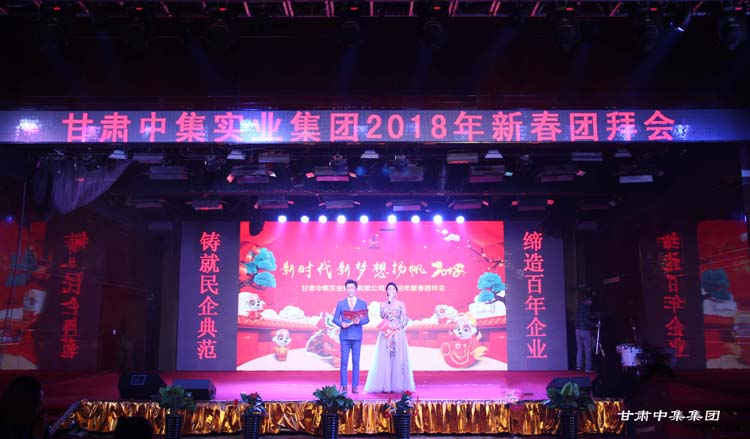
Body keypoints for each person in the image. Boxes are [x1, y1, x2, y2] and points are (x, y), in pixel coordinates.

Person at [365, 282, 415, 393]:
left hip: (397, 332)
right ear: (386, 292)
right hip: (386, 331)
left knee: (397, 356)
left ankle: (398, 384)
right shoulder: (383, 304)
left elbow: (405, 318)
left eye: (393, 289)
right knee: (385, 356)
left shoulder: (401, 304)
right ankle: (385, 385)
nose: (391, 291)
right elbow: (382, 316)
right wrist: (388, 310)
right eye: (389, 289)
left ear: (396, 291)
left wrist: (399, 326)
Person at [333, 279, 369, 394]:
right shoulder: (341, 303)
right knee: (344, 361)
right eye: (348, 288)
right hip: (345, 336)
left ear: (356, 289)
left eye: (352, 288)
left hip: (356, 336)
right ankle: (344, 385)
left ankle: (355, 386)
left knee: (356, 361)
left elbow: (366, 319)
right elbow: (335, 318)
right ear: (345, 289)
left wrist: (359, 321)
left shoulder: (362, 303)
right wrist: (341, 323)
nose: (350, 290)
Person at [574, 296, 596, 372]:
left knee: (579, 349)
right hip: (585, 330)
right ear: (587, 301)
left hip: (577, 330)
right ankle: (588, 368)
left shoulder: (578, 308)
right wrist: (594, 324)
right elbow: (585, 320)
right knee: (587, 349)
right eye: (590, 301)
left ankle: (578, 367)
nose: (591, 303)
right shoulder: (586, 308)